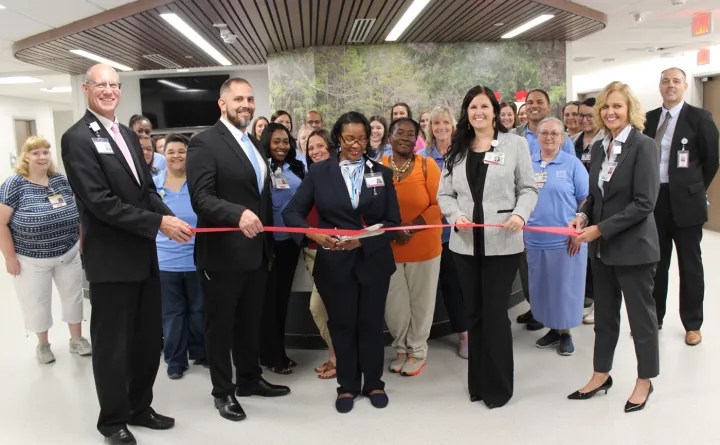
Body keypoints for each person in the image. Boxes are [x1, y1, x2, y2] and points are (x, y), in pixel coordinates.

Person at [61, 64, 192, 445]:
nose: (108, 91)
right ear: (86, 89)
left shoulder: (130, 137)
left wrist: (170, 218)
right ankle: (112, 421)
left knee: (147, 340)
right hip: (111, 261)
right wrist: (158, 224)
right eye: (100, 85)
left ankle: (140, 406)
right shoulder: (77, 138)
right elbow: (100, 203)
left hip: (144, 258)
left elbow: (147, 191)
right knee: (113, 346)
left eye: (113, 85)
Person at [186, 77, 290, 423]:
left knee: (249, 321)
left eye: (250, 98)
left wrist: (269, 250)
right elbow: (201, 198)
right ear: (222, 104)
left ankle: (249, 378)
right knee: (220, 326)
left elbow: (260, 198)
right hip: (223, 255)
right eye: (238, 99)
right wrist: (237, 214)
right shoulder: (204, 143)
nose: (246, 104)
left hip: (257, 253)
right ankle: (223, 391)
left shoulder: (253, 143)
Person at [283, 111, 400, 414]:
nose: (357, 145)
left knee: (371, 324)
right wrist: (314, 234)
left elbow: (392, 222)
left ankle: (374, 382)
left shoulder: (381, 173)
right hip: (334, 264)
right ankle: (347, 385)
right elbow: (292, 213)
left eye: (362, 138)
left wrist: (362, 240)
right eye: (350, 138)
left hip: (373, 262)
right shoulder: (319, 173)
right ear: (337, 138)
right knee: (343, 324)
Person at [437, 85, 537, 409]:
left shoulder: (515, 144)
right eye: (472, 107)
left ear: (495, 110)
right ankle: (477, 383)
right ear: (466, 113)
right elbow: (444, 195)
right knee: (474, 314)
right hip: (464, 246)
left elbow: (528, 188)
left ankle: (499, 387)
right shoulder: (458, 148)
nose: (478, 112)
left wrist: (521, 215)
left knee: (495, 315)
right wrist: (456, 215)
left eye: (484, 106)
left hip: (503, 242)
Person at [567, 81, 660, 414]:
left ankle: (645, 380)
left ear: (629, 110)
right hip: (603, 250)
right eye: (606, 106)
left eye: (617, 106)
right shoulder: (598, 147)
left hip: (634, 249)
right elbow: (595, 196)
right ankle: (601, 374)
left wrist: (600, 230)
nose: (610, 112)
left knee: (641, 321)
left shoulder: (644, 146)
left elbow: (644, 203)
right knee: (605, 318)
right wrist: (582, 215)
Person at [644, 67, 719, 346]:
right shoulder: (648, 119)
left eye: (676, 81)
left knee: (690, 265)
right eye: (665, 81)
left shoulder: (699, 118)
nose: (670, 85)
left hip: (687, 203)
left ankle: (692, 324)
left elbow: (712, 160)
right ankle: (655, 317)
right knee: (656, 264)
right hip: (654, 201)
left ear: (685, 86)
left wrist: (694, 188)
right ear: (660, 86)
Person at [0, 136, 90, 364]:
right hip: (31, 258)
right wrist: (9, 257)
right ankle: (43, 344)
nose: (42, 157)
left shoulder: (59, 180)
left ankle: (76, 339)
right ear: (26, 157)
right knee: (37, 301)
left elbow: (76, 214)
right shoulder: (14, 185)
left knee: (74, 297)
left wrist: (82, 243)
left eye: (46, 152)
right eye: (35, 153)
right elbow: (1, 223)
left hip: (68, 252)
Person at [382, 117, 442, 376]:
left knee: (421, 303)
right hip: (388, 249)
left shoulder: (427, 166)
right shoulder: (377, 166)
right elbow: (370, 205)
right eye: (400, 133)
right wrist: (392, 229)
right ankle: (401, 349)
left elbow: (440, 204)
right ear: (389, 138)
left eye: (411, 133)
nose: (405, 137)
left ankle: (417, 351)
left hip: (424, 248)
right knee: (394, 306)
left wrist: (413, 226)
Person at [525, 118, 589, 356]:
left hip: (565, 241)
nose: (549, 137)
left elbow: (586, 199)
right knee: (542, 288)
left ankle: (565, 334)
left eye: (554, 133)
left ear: (562, 137)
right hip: (534, 239)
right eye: (544, 133)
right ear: (537, 136)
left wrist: (578, 230)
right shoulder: (527, 164)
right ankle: (552, 329)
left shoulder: (572, 165)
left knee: (564, 289)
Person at [512, 88, 574, 330]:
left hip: (553, 216)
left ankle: (556, 319)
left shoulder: (562, 138)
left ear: (548, 107)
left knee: (553, 271)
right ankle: (536, 307)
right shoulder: (514, 136)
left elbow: (570, 173)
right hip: (523, 214)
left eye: (539, 102)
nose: (534, 106)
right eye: (529, 102)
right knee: (528, 268)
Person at [154, 133, 206, 380]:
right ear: (164, 155)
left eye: (181, 151)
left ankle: (200, 351)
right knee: (172, 314)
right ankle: (175, 360)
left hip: (196, 260)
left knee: (198, 310)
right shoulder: (154, 185)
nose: (176, 156)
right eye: (171, 151)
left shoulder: (199, 184)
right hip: (165, 262)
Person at [420, 106, 468, 358]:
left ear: (453, 125)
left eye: (445, 123)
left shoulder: (464, 153)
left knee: (455, 286)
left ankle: (464, 335)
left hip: (456, 234)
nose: (441, 127)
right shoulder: (421, 157)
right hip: (429, 235)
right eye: (436, 123)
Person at [258, 122, 305, 375]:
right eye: (276, 141)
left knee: (281, 301)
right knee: (269, 303)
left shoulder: (297, 167)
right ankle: (274, 356)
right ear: (267, 141)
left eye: (285, 141)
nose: (281, 146)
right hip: (269, 245)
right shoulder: (260, 168)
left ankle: (275, 352)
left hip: (291, 244)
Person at [302, 129, 338, 379]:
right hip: (311, 251)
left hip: (336, 252)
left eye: (320, 146)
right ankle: (334, 356)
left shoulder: (341, 175)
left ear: (331, 147)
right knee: (323, 309)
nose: (315, 151)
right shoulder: (309, 178)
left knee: (322, 307)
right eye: (310, 148)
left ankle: (340, 357)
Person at [574, 97, 605, 325]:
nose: (583, 120)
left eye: (589, 115)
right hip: (579, 207)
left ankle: (599, 304)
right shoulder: (574, 141)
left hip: (599, 204)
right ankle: (585, 299)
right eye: (580, 115)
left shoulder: (606, 142)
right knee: (582, 259)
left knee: (598, 259)